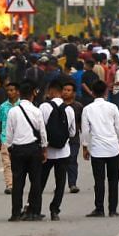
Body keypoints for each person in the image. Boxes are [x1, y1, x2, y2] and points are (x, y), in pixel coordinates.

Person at [82, 78, 119, 217]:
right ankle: (112, 209)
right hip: (113, 148)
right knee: (113, 181)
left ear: (93, 93)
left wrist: (85, 147)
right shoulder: (112, 107)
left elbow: (85, 130)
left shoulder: (87, 109)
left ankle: (99, 208)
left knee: (99, 180)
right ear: (106, 92)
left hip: (97, 149)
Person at [6, 80, 47, 221]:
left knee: (18, 182)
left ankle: (16, 212)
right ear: (32, 95)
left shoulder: (13, 111)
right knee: (35, 181)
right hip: (34, 149)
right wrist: (44, 149)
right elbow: (42, 132)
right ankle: (35, 211)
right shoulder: (37, 111)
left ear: (19, 94)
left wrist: (10, 149)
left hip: (17, 149)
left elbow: (9, 133)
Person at [37, 78, 76, 221]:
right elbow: (72, 133)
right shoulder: (69, 109)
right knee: (60, 183)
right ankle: (55, 210)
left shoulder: (44, 107)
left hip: (47, 151)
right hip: (63, 152)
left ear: (52, 91)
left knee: (40, 181)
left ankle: (35, 207)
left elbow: (40, 129)